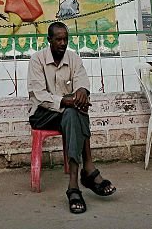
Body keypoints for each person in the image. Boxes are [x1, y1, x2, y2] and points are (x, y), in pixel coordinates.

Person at [28, 21, 116, 214]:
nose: (62, 43)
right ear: (49, 40)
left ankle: (73, 185)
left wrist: (82, 91)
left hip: (69, 113)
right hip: (42, 115)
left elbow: (82, 81)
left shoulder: (73, 58)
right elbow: (39, 96)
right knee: (74, 110)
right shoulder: (37, 60)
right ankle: (89, 169)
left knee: (75, 112)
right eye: (58, 39)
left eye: (65, 39)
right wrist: (66, 100)